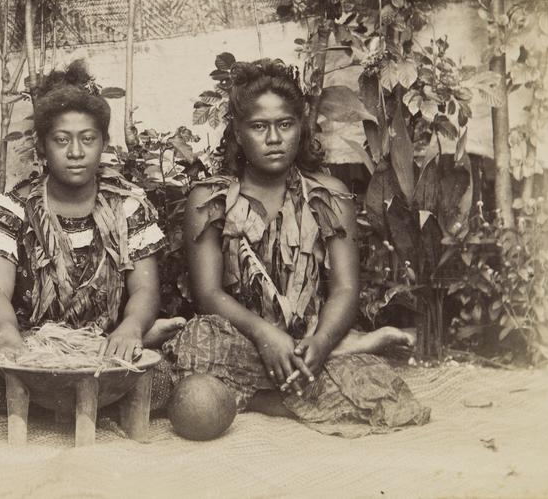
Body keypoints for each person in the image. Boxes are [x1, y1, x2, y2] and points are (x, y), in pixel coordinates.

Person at [166, 59, 429, 435]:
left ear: (300, 127)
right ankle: (311, 383)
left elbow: (345, 288)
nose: (273, 139)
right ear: (238, 133)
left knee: (383, 392)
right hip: (242, 339)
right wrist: (263, 334)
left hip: (309, 340)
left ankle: (306, 370)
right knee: (195, 349)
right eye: (258, 126)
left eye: (285, 125)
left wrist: (320, 342)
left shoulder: (330, 196)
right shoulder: (210, 199)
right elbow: (208, 293)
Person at [0, 61, 185, 417]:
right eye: (62, 140)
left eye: (88, 139)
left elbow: (145, 290)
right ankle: (90, 410)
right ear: (42, 147)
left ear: (103, 142)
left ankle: (24, 406)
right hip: (33, 348)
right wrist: (8, 336)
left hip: (103, 348)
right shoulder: (15, 206)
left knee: (162, 380)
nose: (76, 152)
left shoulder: (129, 205)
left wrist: (132, 328)